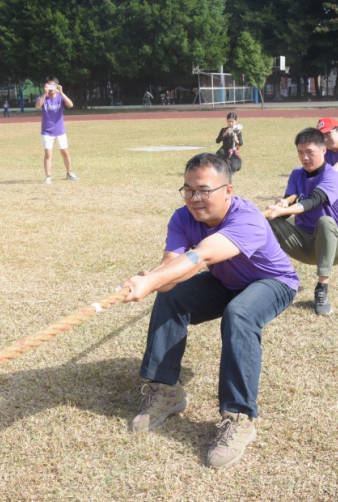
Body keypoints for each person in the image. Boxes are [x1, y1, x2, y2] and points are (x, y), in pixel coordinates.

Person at [122, 153, 298, 469]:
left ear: (227, 191)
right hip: (226, 281)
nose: (195, 198)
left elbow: (202, 257)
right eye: (188, 189)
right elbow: (170, 268)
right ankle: (166, 391)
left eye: (204, 190)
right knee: (171, 292)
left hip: (272, 282)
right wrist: (152, 280)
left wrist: (158, 279)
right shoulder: (181, 218)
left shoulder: (247, 218)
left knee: (239, 314)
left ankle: (239, 417)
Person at [265, 128, 338, 316]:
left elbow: (312, 202)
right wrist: (282, 205)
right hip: (305, 244)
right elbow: (290, 202)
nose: (305, 158)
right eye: (300, 153)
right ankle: (267, 276)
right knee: (269, 222)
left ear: (323, 150)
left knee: (325, 222)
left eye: (310, 152)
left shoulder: (332, 176)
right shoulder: (297, 174)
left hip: (335, 246)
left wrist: (286, 208)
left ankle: (321, 290)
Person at [35, 76, 76, 183]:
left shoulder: (60, 97)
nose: (51, 88)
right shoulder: (43, 97)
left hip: (59, 130)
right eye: (49, 85)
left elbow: (71, 105)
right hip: (47, 131)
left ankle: (69, 172)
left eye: (53, 85)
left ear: (57, 86)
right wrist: (45, 93)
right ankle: (48, 176)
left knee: (65, 152)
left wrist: (61, 92)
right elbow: (38, 106)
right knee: (48, 154)